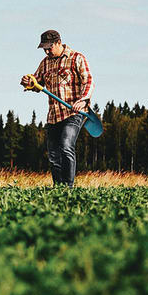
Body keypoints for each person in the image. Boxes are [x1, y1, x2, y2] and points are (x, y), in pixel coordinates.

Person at [20, 30, 94, 187]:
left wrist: (83, 100)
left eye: (49, 47)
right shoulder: (45, 62)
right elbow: (35, 82)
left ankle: (68, 187)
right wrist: (28, 81)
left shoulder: (76, 58)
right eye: (44, 48)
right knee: (54, 155)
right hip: (54, 115)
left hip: (73, 112)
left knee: (66, 146)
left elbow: (88, 81)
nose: (47, 51)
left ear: (59, 43)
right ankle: (58, 188)